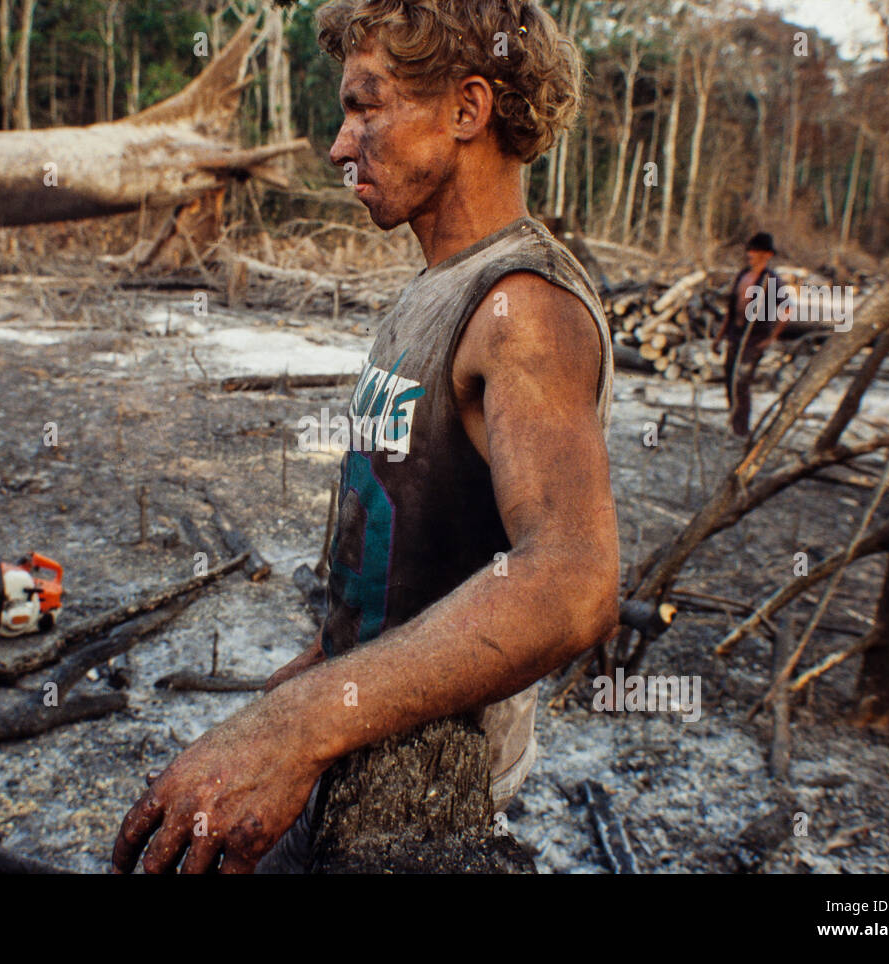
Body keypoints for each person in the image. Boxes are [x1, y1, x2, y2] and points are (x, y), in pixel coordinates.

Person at [112, 0, 619, 875]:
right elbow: (406, 543)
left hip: (416, 781)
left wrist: (293, 728)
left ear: (467, 110)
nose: (341, 146)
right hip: (354, 730)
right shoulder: (437, 287)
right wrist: (313, 669)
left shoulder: (524, 308)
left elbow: (572, 581)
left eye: (365, 106)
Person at [713, 232, 790, 437]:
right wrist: (720, 336)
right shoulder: (742, 275)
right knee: (730, 379)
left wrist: (771, 338)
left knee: (742, 381)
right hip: (735, 334)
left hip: (755, 338)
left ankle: (741, 430)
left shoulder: (771, 280)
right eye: (749, 250)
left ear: (767, 255)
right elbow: (732, 308)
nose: (750, 254)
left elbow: (787, 309)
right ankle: (734, 422)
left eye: (755, 251)